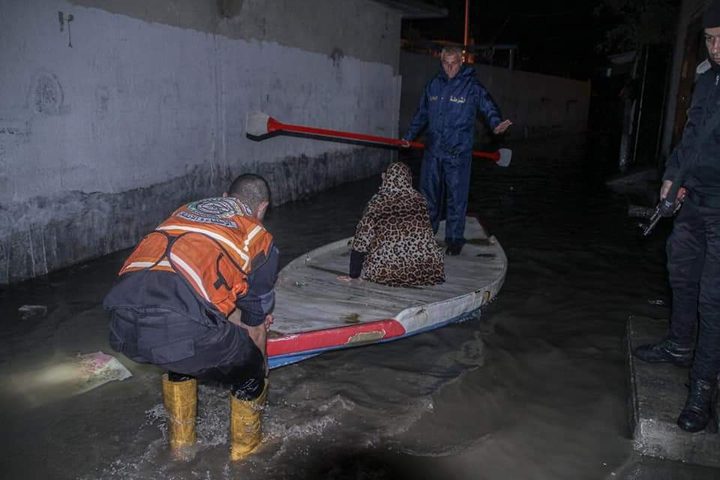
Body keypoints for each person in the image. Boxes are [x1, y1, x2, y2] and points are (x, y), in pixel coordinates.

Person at [103, 174, 279, 459]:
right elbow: (255, 328)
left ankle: (181, 448)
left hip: (123, 326)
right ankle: (247, 454)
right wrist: (260, 367)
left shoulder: (185, 212)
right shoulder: (258, 238)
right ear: (262, 209)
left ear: (224, 197)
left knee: (179, 354)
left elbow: (193, 284)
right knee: (250, 371)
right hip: (182, 327)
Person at [633, 1, 720, 433]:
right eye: (709, 39)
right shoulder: (707, 81)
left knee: (714, 298)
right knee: (681, 274)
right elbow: (690, 138)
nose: (716, 47)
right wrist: (672, 179)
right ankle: (679, 346)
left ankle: (703, 388)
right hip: (695, 200)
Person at [401, 46, 512, 255]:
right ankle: (426, 234)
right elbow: (421, 114)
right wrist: (408, 137)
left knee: (456, 197)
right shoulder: (433, 85)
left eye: (454, 63)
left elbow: (487, 106)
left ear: (461, 63)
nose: (450, 68)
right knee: (428, 196)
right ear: (441, 62)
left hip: (458, 153)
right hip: (433, 151)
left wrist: (496, 123)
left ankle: (454, 239)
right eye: (446, 63)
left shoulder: (471, 86)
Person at [339, 161, 444, 287]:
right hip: (425, 270)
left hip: (386, 272)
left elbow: (362, 241)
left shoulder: (377, 202)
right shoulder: (420, 200)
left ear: (387, 178)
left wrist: (354, 274)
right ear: (408, 179)